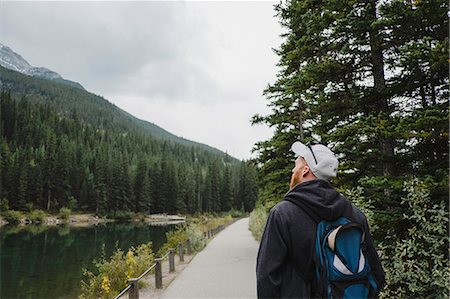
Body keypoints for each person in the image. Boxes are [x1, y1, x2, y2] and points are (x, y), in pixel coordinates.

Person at [256, 141, 385, 298]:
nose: (292, 170)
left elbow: (266, 277)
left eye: (296, 165)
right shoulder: (355, 214)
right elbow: (376, 272)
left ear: (305, 170)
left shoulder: (283, 214)